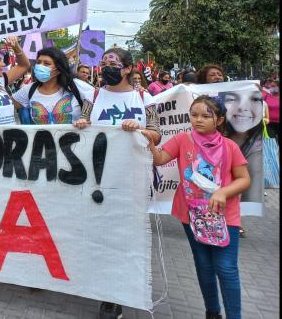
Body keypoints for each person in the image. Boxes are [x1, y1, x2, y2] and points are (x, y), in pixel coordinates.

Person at [143, 96, 250, 319]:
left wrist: (223, 192)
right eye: (194, 115)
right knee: (203, 265)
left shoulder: (230, 147)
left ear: (220, 120)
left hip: (224, 217)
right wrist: (151, 146)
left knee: (226, 268)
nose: (198, 120)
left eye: (205, 116)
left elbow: (244, 179)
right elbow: (161, 159)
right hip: (192, 216)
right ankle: (212, 311)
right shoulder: (183, 139)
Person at [73, 47, 160, 319]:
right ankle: (105, 293)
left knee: (124, 239)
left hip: (132, 180)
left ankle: (118, 296)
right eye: (103, 62)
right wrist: (81, 125)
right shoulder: (94, 96)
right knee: (100, 236)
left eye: (113, 62)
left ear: (126, 69)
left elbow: (156, 135)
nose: (106, 66)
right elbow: (82, 125)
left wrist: (140, 129)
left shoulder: (144, 97)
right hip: (99, 178)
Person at [220, 85, 265, 238]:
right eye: (231, 99)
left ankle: (235, 222)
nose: (243, 108)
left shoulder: (255, 147)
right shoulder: (217, 139)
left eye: (254, 99)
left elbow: (247, 186)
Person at [14, 47, 89, 125]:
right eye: (38, 62)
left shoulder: (75, 85)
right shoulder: (29, 89)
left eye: (46, 63)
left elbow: (96, 97)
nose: (40, 66)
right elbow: (7, 106)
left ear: (58, 69)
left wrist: (85, 117)